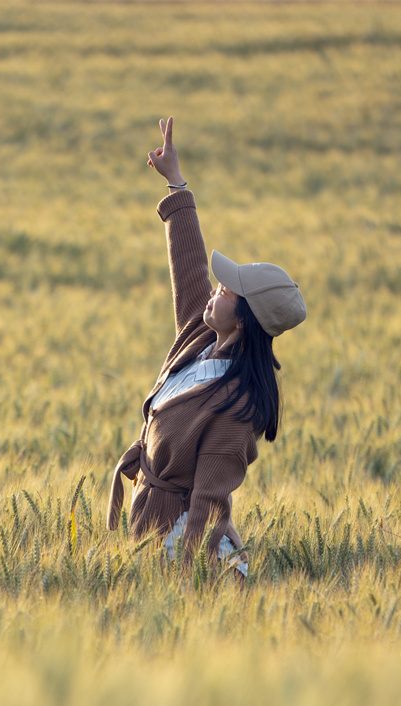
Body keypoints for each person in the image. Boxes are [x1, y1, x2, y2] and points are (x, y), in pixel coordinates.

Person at [106, 116, 307, 579]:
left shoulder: (238, 406)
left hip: (185, 548)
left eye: (228, 289)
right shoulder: (200, 340)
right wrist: (177, 183)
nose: (215, 289)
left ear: (246, 319)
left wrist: (182, 572)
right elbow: (190, 264)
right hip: (147, 527)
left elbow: (209, 501)